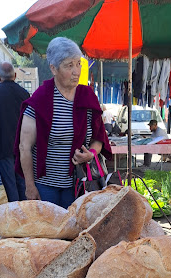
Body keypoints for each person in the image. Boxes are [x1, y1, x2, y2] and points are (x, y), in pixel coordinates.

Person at [15, 37, 111, 208]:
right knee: (50, 231)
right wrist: (30, 186)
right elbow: (25, 147)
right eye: (69, 65)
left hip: (81, 182)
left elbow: (99, 137)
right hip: (45, 185)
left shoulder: (87, 97)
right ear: (53, 68)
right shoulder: (39, 100)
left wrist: (91, 154)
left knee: (76, 229)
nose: (77, 71)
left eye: (78, 64)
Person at [0, 62, 30, 202]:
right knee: (23, 182)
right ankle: (24, 214)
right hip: (23, 146)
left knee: (9, 185)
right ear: (14, 75)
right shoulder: (24, 94)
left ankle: (14, 215)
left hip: (2, 148)